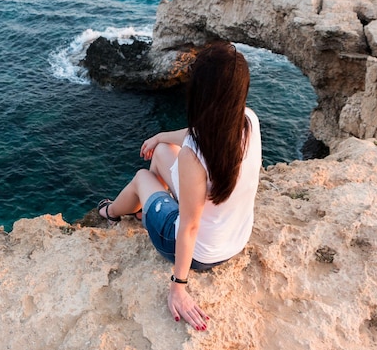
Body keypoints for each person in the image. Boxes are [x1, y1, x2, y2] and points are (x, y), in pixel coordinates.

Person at [97, 40, 262, 331]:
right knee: (161, 152)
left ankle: (110, 212)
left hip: (198, 253)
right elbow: (200, 133)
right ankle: (144, 211)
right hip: (235, 240)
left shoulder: (193, 156)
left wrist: (179, 287)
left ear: (200, 92)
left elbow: (189, 227)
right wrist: (160, 136)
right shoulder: (248, 120)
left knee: (142, 178)